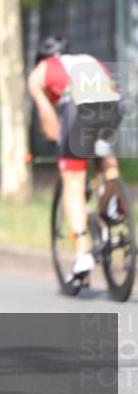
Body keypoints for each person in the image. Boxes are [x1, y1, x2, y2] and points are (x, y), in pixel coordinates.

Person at [27, 34, 123, 285]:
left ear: (44, 58)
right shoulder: (89, 59)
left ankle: (82, 254)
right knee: (105, 157)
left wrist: (57, 142)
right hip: (111, 106)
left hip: (79, 110)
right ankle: (113, 202)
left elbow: (49, 122)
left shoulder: (40, 71)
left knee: (72, 180)